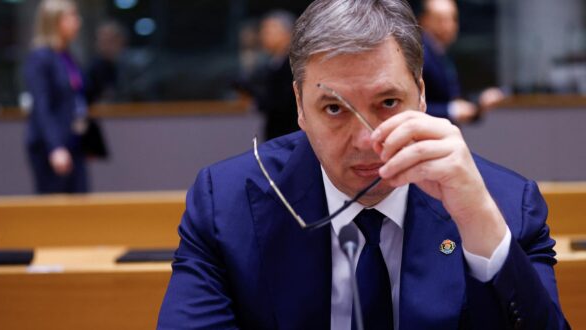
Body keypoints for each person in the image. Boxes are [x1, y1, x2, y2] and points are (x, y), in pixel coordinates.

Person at [158, 0, 568, 329]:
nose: (367, 140)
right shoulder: (225, 206)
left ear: (421, 95)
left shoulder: (507, 207)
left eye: (388, 103)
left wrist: (480, 228)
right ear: (300, 106)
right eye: (334, 108)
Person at [23, 0, 88, 193]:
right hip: (51, 147)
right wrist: (56, 147)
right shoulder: (40, 57)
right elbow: (42, 107)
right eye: (72, 17)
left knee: (81, 211)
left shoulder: (67, 55)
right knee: (55, 214)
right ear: (55, 22)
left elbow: (76, 100)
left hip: (74, 142)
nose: (78, 22)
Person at [418, 0, 505, 124]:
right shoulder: (420, 55)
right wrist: (450, 110)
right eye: (440, 19)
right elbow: (411, 107)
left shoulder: (441, 54)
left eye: (453, 19)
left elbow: (453, 99)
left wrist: (479, 103)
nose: (449, 25)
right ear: (424, 20)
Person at [238, 10, 299, 141]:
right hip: (277, 134)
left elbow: (283, 102)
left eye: (269, 31)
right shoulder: (273, 63)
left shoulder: (294, 64)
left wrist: (257, 101)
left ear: (287, 34)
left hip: (290, 134)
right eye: (263, 32)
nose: (263, 36)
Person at [85, 20, 128, 104]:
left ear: (121, 41)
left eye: (110, 40)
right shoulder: (93, 69)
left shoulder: (130, 66)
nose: (105, 45)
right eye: (102, 40)